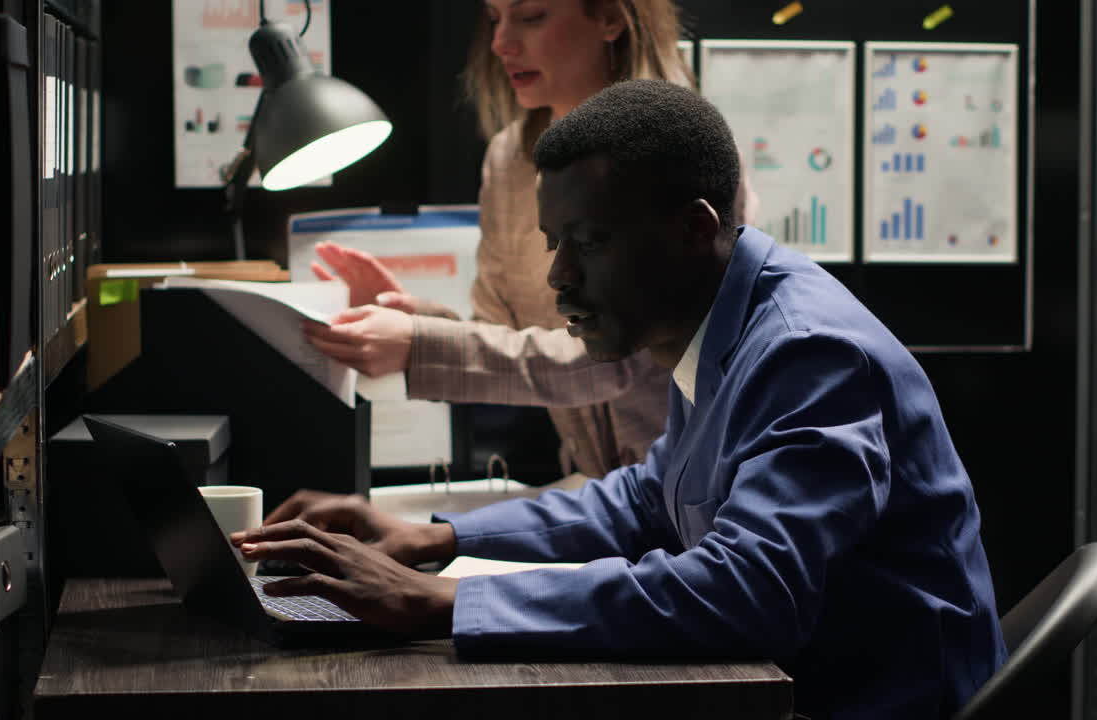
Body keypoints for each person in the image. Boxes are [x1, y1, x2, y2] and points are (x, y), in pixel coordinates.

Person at [232, 79, 1007, 719]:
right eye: (553, 243)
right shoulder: (719, 327)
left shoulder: (806, 352)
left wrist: (438, 604)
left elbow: (750, 591)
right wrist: (431, 540)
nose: (559, 277)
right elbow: (645, 501)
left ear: (691, 230)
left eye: (591, 242)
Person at [304, 0, 756, 478]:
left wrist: (421, 345)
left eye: (531, 16)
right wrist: (413, 318)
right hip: (599, 492)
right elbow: (502, 332)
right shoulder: (508, 159)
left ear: (609, 18)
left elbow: (618, 356)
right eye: (495, 19)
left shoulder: (678, 152)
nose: (501, 43)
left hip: (702, 490)